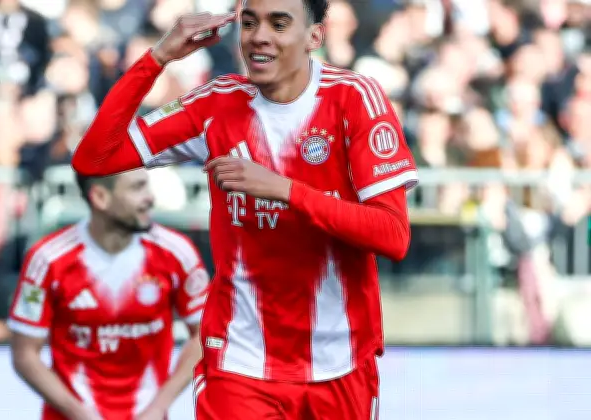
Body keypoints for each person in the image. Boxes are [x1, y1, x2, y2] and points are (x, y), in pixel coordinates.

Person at [70, 0, 418, 418]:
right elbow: (94, 159)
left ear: (314, 36)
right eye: (249, 23)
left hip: (340, 360)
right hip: (239, 361)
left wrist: (286, 191)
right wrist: (158, 58)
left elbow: (393, 236)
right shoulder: (215, 104)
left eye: (279, 23)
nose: (259, 37)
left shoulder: (354, 98)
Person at [8, 169, 210, 420]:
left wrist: (158, 407)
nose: (150, 197)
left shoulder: (177, 252)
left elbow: (205, 335)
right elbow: (24, 354)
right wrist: (79, 414)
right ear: (100, 197)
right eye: (137, 188)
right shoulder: (47, 259)